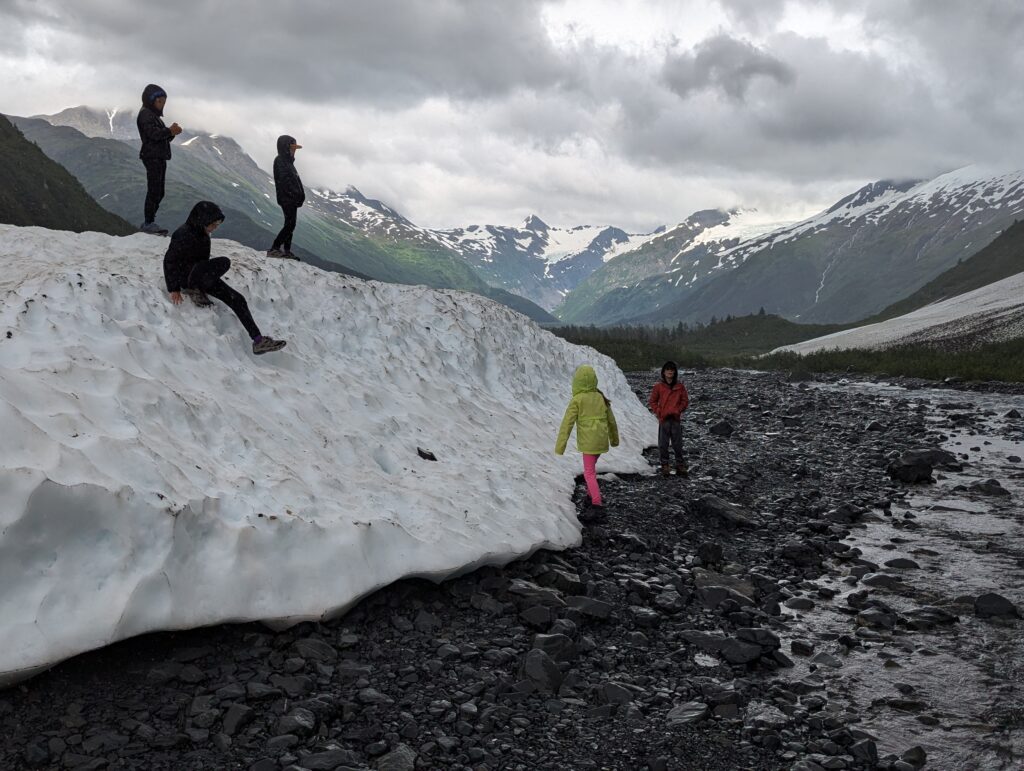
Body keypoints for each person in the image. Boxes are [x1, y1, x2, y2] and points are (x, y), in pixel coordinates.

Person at [164, 201, 287, 355]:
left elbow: (202, 261)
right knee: (224, 262)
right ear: (203, 219)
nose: (215, 227)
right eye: (213, 224)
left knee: (237, 299)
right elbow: (170, 260)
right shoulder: (183, 234)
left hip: (199, 276)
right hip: (187, 278)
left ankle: (258, 340)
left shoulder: (203, 235)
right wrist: (174, 288)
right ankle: (194, 289)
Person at [555, 364, 620, 516]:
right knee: (591, 470)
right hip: (601, 442)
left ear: (576, 382)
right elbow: (612, 421)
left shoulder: (577, 400)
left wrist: (560, 446)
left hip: (589, 444)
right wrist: (614, 440)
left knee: (589, 473)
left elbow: (567, 424)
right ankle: (590, 496)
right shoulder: (600, 397)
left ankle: (597, 504)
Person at [136, 83, 182, 234]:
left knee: (159, 191)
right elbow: (154, 135)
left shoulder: (152, 116)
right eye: (159, 101)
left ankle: (150, 221)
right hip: (152, 156)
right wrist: (169, 130)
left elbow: (161, 138)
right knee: (154, 190)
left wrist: (171, 133)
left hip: (158, 156)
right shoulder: (145, 115)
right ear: (151, 100)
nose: (162, 104)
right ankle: (148, 223)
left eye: (163, 102)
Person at [648, 360, 690, 477]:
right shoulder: (659, 386)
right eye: (668, 369)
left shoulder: (680, 386)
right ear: (664, 372)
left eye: (672, 370)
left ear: (675, 372)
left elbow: (685, 401)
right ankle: (665, 465)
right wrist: (658, 411)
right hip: (664, 419)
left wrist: (678, 410)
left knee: (678, 443)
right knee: (663, 444)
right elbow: (652, 401)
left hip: (675, 418)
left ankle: (680, 465)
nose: (670, 372)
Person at [268, 135, 305, 259]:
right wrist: (295, 194)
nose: (294, 150)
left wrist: (299, 196)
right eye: (292, 147)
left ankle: (286, 250)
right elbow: (285, 181)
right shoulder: (280, 161)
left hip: (291, 199)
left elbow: (294, 181)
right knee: (290, 224)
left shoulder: (288, 163)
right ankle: (275, 248)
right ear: (285, 147)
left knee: (290, 224)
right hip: (287, 199)